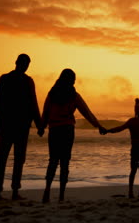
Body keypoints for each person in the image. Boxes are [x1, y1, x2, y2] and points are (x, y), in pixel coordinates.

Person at [39, 69, 106, 203]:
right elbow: (87, 112)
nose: (75, 81)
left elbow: (45, 112)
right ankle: (61, 195)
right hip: (67, 131)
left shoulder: (52, 94)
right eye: (73, 79)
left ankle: (47, 190)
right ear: (70, 80)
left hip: (54, 131)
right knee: (65, 163)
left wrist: (41, 127)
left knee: (52, 161)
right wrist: (98, 126)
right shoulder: (73, 95)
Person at [0, 54, 41, 200]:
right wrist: (39, 125)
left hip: (10, 126)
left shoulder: (5, 79)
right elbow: (33, 104)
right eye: (25, 64)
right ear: (18, 63)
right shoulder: (26, 81)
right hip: (19, 127)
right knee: (16, 159)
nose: (25, 67)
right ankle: (12, 191)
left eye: (27, 64)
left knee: (4, 159)